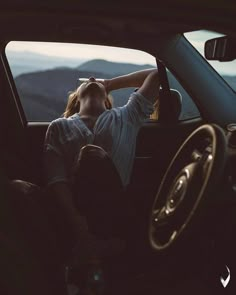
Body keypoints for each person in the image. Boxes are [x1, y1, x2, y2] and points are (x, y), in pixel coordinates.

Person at [43, 68, 160, 288]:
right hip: (76, 212)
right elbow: (57, 180)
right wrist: (80, 227)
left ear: (108, 100)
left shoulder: (127, 116)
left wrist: (110, 83)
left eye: (95, 80)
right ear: (76, 97)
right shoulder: (59, 126)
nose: (92, 79)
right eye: (87, 81)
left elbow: (156, 75)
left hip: (116, 212)